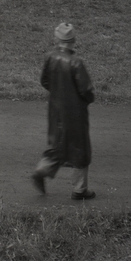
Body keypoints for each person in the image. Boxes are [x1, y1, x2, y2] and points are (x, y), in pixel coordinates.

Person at [31, 22, 96, 200]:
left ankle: (41, 170)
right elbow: (86, 90)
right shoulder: (76, 63)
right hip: (75, 112)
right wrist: (88, 100)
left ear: (57, 39)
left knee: (57, 144)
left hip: (56, 109)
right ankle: (79, 189)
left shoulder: (50, 57)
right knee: (80, 148)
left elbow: (44, 81)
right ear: (73, 40)